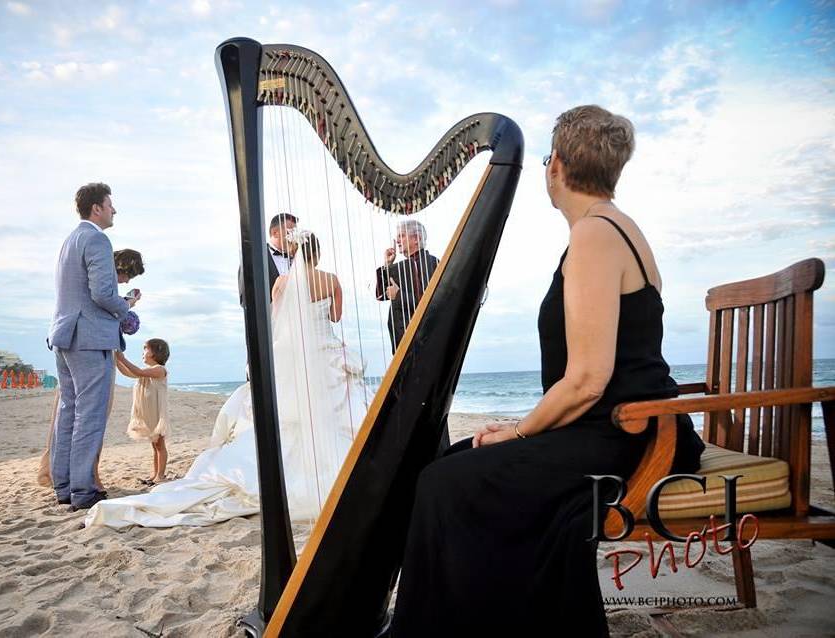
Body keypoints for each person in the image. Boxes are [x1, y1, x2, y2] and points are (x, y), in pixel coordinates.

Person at [390, 106, 705, 636]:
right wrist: (518, 431)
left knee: (444, 481)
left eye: (545, 160)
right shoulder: (612, 227)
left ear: (555, 165)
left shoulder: (595, 236)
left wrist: (516, 430)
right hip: (619, 424)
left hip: (628, 437)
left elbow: (587, 381)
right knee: (457, 461)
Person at [85, 231, 368, 528]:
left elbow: (274, 321)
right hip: (327, 352)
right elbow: (335, 316)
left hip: (293, 355)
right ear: (318, 253)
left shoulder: (283, 283)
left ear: (295, 253)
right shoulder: (332, 280)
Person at [46, 182, 139, 511]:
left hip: (64, 335)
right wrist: (125, 306)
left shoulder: (69, 241)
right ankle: (83, 490)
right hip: (88, 338)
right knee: (89, 415)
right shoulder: (97, 238)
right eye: (110, 205)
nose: (114, 210)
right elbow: (101, 293)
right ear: (96, 208)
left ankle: (64, 486)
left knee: (68, 411)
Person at [38, 248, 145, 491]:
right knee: (90, 418)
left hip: (68, 344)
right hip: (91, 348)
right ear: (121, 268)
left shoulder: (77, 278)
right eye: (128, 275)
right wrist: (127, 306)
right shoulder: (100, 287)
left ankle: (62, 478)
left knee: (66, 416)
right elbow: (100, 310)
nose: (127, 281)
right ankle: (85, 482)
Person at [374, 220, 439, 353]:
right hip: (400, 340)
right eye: (397, 237)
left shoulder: (434, 263)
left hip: (421, 339)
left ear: (416, 238)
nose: (397, 241)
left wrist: (398, 295)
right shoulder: (399, 266)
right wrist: (387, 265)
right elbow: (380, 295)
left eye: (402, 236)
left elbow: (431, 304)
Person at [114, 339, 170, 484]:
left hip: (157, 413)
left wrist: (123, 358)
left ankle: (161, 476)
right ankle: (155, 474)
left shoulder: (159, 369)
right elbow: (129, 373)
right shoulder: (147, 372)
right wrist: (116, 360)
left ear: (155, 352)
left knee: (160, 445)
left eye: (145, 348)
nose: (142, 352)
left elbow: (136, 371)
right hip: (148, 413)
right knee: (154, 445)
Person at [238, 212, 298, 307]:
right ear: (275, 233)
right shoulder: (254, 256)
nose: (294, 237)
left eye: (295, 233)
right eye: (290, 232)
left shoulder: (298, 258)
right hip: (267, 320)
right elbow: (245, 298)